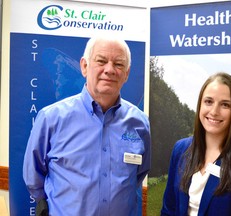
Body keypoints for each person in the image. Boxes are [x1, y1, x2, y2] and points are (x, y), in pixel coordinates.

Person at [23, 35, 151, 216]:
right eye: (101, 61)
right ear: (84, 66)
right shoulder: (51, 118)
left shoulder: (140, 123)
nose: (110, 69)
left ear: (127, 73)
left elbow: (137, 174)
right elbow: (34, 179)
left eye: (119, 64)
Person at [161, 72, 231, 216]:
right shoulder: (181, 149)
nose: (214, 111)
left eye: (225, 105)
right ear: (200, 104)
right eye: (208, 101)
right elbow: (168, 210)